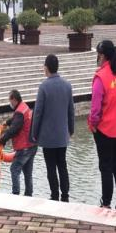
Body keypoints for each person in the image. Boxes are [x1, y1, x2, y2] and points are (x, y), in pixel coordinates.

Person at [88, 40, 116, 211]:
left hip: (105, 129)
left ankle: (106, 202)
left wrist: (92, 124)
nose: (97, 58)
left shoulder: (101, 77)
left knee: (105, 167)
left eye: (98, 55)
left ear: (102, 56)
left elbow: (95, 108)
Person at [31, 54, 75, 202]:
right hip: (62, 136)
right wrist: (71, 130)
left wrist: (34, 133)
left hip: (48, 136)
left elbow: (38, 113)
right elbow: (71, 111)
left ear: (46, 68)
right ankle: (65, 195)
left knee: (51, 166)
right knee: (62, 164)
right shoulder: (67, 86)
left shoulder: (44, 87)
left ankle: (54, 195)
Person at [0, 90, 37, 196]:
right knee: (28, 173)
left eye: (10, 100)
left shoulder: (19, 112)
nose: (10, 103)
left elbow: (13, 129)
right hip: (32, 146)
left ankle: (15, 195)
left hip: (24, 147)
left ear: (14, 100)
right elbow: (16, 119)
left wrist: (2, 140)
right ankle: (29, 195)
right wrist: (7, 122)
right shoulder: (24, 107)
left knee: (14, 169)